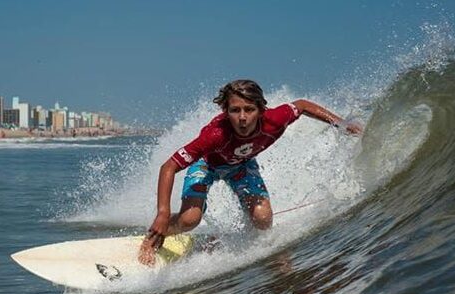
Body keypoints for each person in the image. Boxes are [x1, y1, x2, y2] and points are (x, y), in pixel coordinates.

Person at [138, 80, 362, 265]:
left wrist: (339, 122)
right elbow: (169, 166)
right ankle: (155, 235)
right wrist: (163, 213)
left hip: (241, 166)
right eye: (235, 110)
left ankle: (223, 239)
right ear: (226, 112)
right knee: (189, 220)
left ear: (261, 110)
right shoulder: (215, 135)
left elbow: (301, 105)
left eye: (249, 109)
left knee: (263, 220)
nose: (242, 117)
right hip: (207, 165)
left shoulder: (275, 119)